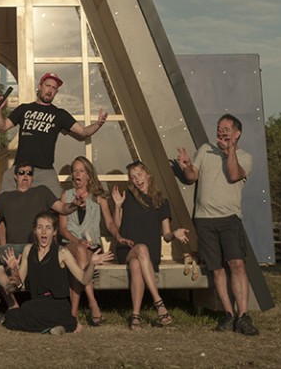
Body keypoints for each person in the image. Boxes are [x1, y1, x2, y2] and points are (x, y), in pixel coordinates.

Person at [177, 113, 259, 336]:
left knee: (237, 265)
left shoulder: (245, 157)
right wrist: (186, 165)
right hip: (204, 220)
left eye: (226, 128)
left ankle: (243, 316)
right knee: (217, 270)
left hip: (229, 219)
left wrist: (229, 150)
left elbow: (234, 175)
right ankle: (228, 314)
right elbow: (192, 176)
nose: (221, 131)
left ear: (237, 133)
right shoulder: (205, 150)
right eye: (219, 127)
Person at [0, 161, 73, 307]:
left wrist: (75, 204)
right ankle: (12, 304)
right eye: (21, 173)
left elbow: (63, 209)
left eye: (29, 173)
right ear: (15, 176)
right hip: (12, 248)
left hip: (36, 246)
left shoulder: (42, 192)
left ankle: (46, 304)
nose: (25, 176)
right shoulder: (5, 197)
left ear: (32, 177)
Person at [0, 72, 107, 193]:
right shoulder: (24, 109)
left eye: (54, 88)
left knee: (58, 203)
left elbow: (83, 132)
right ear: (40, 86)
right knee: (4, 199)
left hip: (45, 171)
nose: (50, 90)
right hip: (20, 169)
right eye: (48, 86)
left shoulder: (59, 114)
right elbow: (3, 127)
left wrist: (98, 124)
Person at [1, 211, 112, 334]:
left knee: (37, 314)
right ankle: (59, 327)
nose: (43, 232)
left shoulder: (62, 252)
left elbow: (84, 279)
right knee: (12, 316)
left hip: (57, 304)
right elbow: (17, 285)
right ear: (34, 231)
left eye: (48, 228)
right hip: (37, 303)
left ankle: (64, 324)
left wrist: (92, 264)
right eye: (40, 227)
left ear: (54, 232)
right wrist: (14, 271)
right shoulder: (28, 250)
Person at [109, 160, 189, 329]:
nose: (137, 179)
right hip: (127, 249)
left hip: (149, 255)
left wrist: (175, 234)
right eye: (133, 177)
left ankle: (135, 316)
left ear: (147, 174)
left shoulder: (161, 202)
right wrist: (117, 207)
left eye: (140, 174)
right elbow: (117, 227)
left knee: (137, 264)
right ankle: (159, 303)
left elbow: (166, 236)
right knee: (141, 249)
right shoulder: (128, 197)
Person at [56, 156, 115, 326]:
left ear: (88, 175)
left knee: (79, 259)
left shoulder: (99, 197)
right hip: (71, 243)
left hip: (93, 246)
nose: (77, 174)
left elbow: (110, 223)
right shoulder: (67, 196)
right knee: (79, 252)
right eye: (74, 170)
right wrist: (77, 241)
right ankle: (93, 303)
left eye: (81, 170)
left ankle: (73, 314)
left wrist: (118, 236)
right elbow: (63, 229)